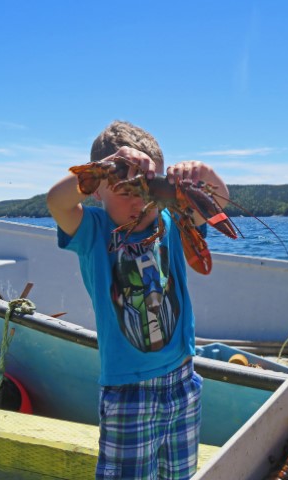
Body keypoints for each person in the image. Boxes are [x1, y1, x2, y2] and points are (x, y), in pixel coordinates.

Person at [47, 120, 229, 479]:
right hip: (129, 390)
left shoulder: (172, 220)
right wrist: (105, 168)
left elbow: (217, 204)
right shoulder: (94, 230)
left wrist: (206, 174)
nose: (139, 201)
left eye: (147, 189)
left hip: (183, 380)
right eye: (125, 188)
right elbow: (57, 201)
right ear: (98, 191)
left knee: (179, 474)